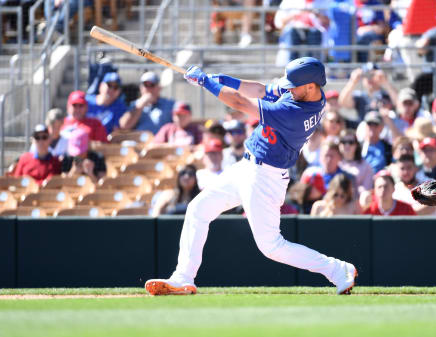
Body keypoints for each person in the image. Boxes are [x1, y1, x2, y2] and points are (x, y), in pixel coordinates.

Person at [144, 57, 357, 296]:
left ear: (310, 86)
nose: (288, 88)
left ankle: (338, 270)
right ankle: (183, 277)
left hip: (265, 177)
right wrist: (224, 80)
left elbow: (239, 103)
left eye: (293, 85)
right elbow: (260, 90)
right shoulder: (306, 92)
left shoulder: (295, 112)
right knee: (198, 209)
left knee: (271, 247)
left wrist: (206, 82)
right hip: (247, 167)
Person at [274, 0, 330, 66]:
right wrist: (296, 15)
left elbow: (330, 23)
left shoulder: (325, 2)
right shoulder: (288, 2)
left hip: (316, 34)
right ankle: (291, 68)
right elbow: (279, 23)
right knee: (292, 32)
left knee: (314, 32)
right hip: (293, 33)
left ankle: (314, 67)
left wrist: (316, 14)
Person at [338, 129, 374, 196]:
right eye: (343, 142)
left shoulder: (366, 166)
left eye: (351, 142)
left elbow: (366, 192)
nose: (347, 145)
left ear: (356, 145)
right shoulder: (334, 162)